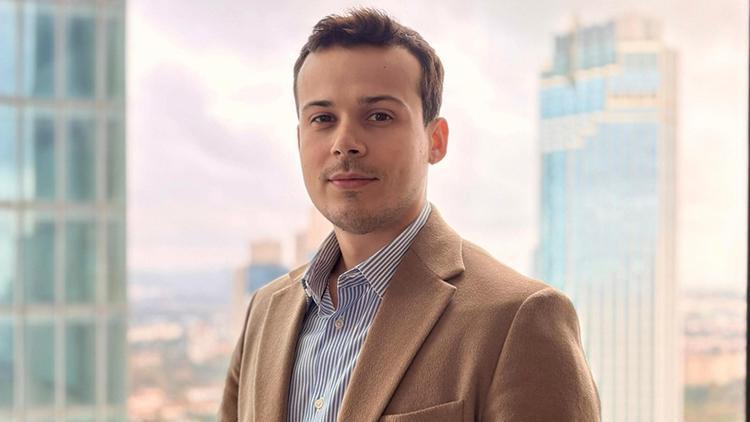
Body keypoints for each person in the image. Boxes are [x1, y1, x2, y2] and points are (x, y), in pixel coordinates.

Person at [220, 8, 600, 422]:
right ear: (299, 140)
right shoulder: (266, 311)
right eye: (323, 119)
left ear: (436, 140)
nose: (345, 142)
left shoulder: (518, 319)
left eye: (379, 116)